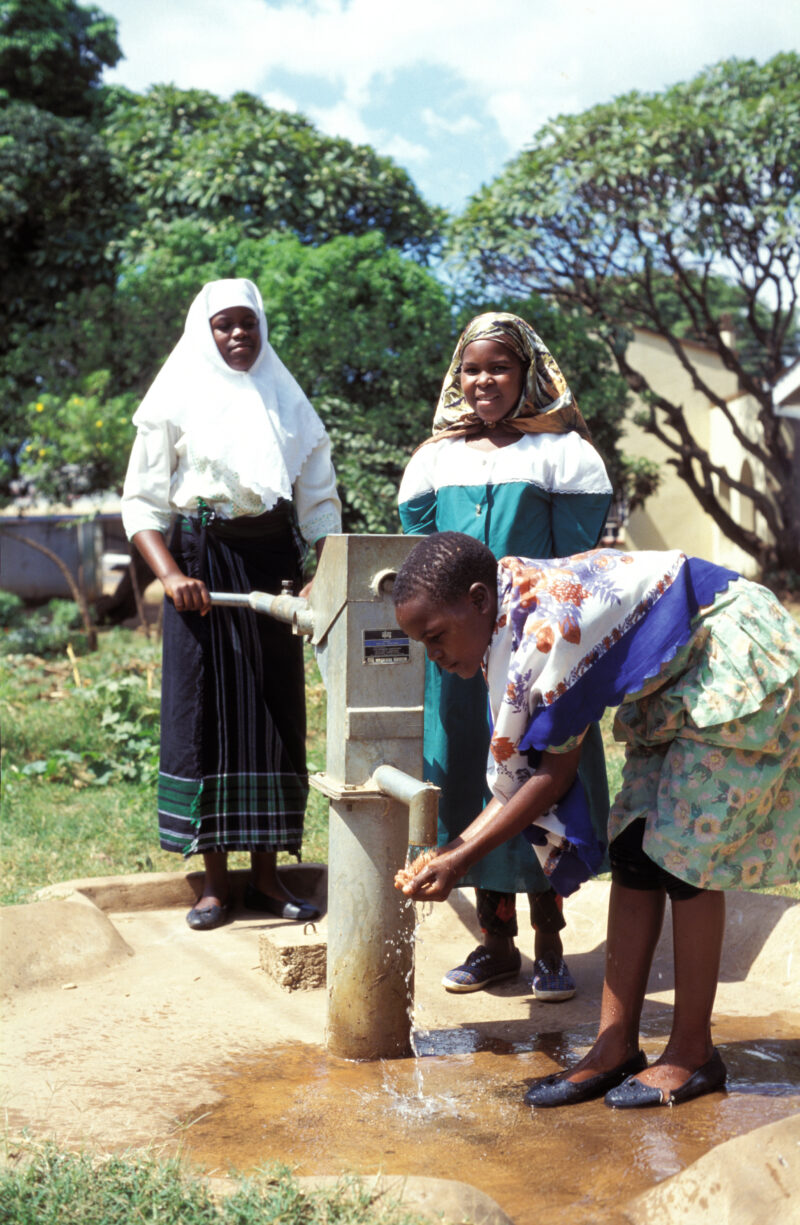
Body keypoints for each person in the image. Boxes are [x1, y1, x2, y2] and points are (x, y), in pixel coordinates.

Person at [393, 532, 800, 1108]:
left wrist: (458, 857)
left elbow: (547, 778)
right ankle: (614, 1048)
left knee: (686, 860)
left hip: (728, 653)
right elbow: (518, 777)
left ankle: (692, 1053)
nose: (434, 655)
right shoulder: (510, 619)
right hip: (676, 675)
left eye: (436, 637)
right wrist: (451, 852)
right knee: (633, 849)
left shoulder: (548, 635)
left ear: (480, 600)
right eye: (421, 644)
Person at [398, 312, 612, 998]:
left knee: (538, 779)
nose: (484, 380)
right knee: (465, 779)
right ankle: (495, 943)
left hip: (535, 651)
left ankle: (551, 943)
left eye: (500, 367)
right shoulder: (435, 459)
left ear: (528, 375)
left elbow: (573, 557)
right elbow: (426, 556)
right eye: (472, 368)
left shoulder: (562, 454)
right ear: (455, 377)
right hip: (460, 656)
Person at [121, 278, 341, 931]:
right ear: (204, 332)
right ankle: (215, 883)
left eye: (249, 324)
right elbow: (141, 502)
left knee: (275, 714)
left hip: (271, 563)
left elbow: (320, 503)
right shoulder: (174, 399)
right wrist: (169, 575)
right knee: (206, 716)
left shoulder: (289, 402)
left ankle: (268, 877)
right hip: (201, 567)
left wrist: (315, 578)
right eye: (226, 325)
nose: (239, 335)